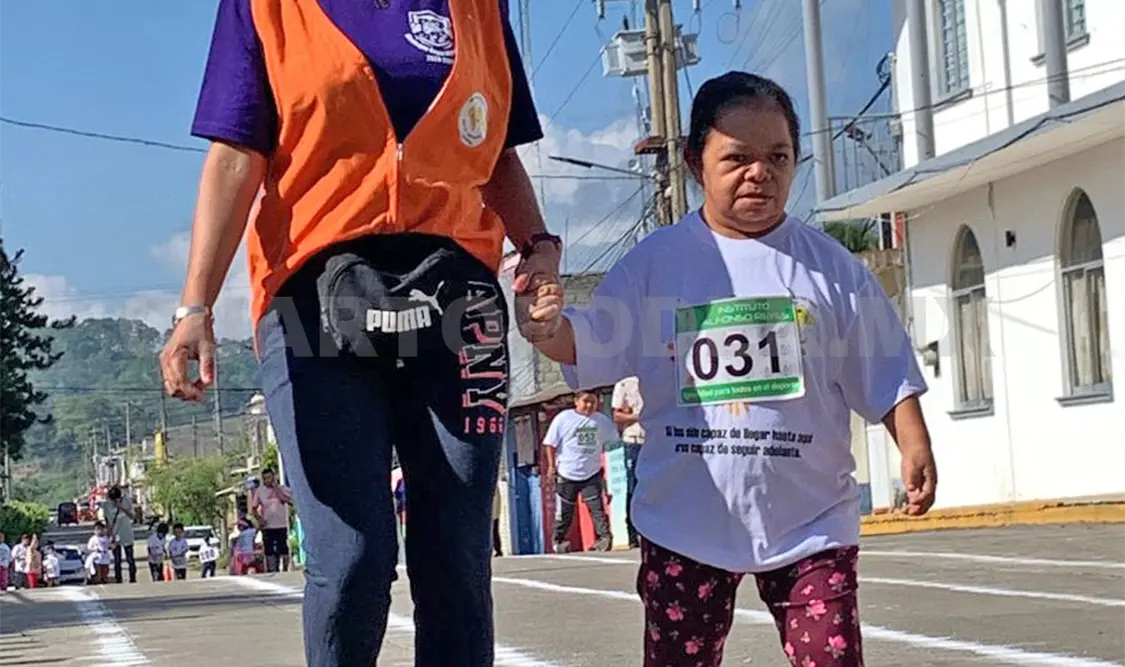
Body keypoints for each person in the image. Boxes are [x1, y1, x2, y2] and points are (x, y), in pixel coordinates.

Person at [159, 1, 560, 664]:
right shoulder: (264, 9)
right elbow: (235, 156)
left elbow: (495, 153)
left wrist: (537, 244)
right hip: (314, 302)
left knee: (456, 553)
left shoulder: (477, 9)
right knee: (352, 556)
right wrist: (193, 308)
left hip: (455, 300)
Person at [519, 72, 939, 667]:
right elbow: (585, 343)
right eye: (737, 157)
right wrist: (546, 326)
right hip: (686, 521)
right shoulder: (654, 265)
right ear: (695, 162)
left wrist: (913, 441)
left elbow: (884, 362)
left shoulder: (831, 270)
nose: (759, 173)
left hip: (811, 524)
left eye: (778, 157)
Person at [542, 391, 618, 553]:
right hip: (567, 473)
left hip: (592, 473)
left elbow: (611, 443)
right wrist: (551, 467)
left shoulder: (601, 421)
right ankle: (559, 541)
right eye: (585, 401)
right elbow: (550, 443)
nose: (589, 405)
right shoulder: (564, 419)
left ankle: (604, 538)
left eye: (593, 402)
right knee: (565, 512)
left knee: (597, 508)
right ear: (576, 401)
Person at [611, 376, 645, 548]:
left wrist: (631, 415)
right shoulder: (624, 383)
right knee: (634, 486)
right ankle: (633, 534)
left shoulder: (657, 375)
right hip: (634, 440)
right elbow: (617, 416)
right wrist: (638, 416)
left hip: (656, 438)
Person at [249, 467, 292, 573]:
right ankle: (273, 569)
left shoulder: (282, 488)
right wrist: (260, 519)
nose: (267, 480)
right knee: (270, 550)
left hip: (281, 524)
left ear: (273, 477)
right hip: (268, 525)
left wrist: (276, 488)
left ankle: (286, 569)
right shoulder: (260, 491)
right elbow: (253, 508)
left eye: (269, 477)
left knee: (283, 548)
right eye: (265, 478)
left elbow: (287, 500)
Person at [106, 485, 137, 584]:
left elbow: (133, 516)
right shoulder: (107, 505)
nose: (114, 501)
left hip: (127, 534)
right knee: (117, 560)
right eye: (113, 500)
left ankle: (132, 578)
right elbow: (108, 522)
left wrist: (122, 508)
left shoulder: (127, 501)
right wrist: (109, 535)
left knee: (130, 558)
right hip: (115, 535)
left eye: (116, 499)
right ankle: (118, 578)